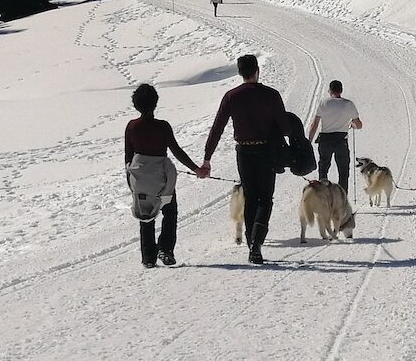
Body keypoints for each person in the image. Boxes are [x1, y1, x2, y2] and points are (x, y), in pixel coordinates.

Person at [204, 53, 288, 264]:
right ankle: (257, 244)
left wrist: (207, 157)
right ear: (257, 70)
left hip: (243, 152)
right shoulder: (271, 95)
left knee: (250, 197)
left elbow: (217, 128)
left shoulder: (232, 96)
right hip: (266, 152)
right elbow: (286, 127)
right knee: (265, 199)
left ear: (240, 73)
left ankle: (252, 246)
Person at [124, 83, 202, 268]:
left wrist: (131, 182)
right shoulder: (162, 126)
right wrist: (196, 169)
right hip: (161, 179)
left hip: (140, 180)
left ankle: (148, 257)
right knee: (170, 211)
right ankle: (165, 249)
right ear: (156, 103)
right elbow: (176, 151)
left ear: (136, 105)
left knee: (146, 216)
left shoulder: (132, 127)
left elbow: (128, 157)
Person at [307, 80, 363, 198]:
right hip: (341, 140)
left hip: (325, 140)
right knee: (343, 171)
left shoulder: (323, 103)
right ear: (341, 91)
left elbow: (314, 124)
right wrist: (352, 125)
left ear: (330, 90)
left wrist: (309, 141)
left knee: (323, 169)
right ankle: (342, 199)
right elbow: (359, 125)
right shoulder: (349, 104)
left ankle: (323, 197)